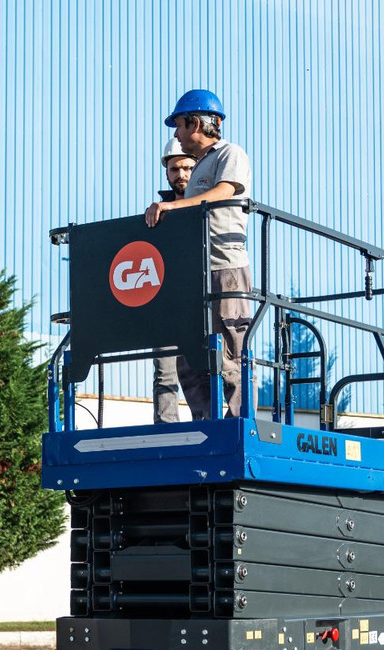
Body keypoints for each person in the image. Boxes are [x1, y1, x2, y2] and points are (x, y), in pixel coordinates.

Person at [145, 88, 253, 419]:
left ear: (195, 123)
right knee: (189, 358)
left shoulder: (229, 154)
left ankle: (238, 424)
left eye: (178, 125)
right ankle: (206, 421)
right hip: (195, 273)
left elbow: (223, 192)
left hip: (225, 267)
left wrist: (172, 207)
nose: (176, 134)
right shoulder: (203, 165)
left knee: (231, 353)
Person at [153, 138, 196, 423]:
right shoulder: (156, 212)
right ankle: (165, 430)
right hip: (166, 303)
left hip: (200, 300)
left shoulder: (209, 206)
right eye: (174, 169)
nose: (180, 175)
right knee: (164, 372)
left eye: (187, 168)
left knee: (201, 371)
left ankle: (208, 426)